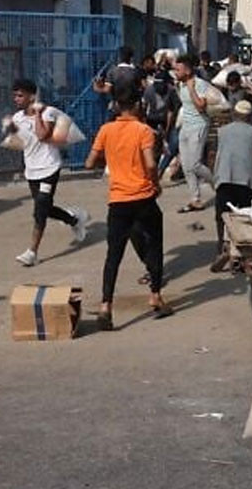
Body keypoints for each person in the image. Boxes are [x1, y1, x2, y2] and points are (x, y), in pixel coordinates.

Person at [84, 84, 172, 331]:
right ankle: (155, 296)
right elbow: (151, 164)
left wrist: (112, 158)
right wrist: (155, 184)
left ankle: (105, 307)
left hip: (118, 201)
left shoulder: (106, 130)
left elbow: (90, 163)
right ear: (136, 105)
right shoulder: (143, 131)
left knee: (114, 255)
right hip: (143, 198)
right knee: (155, 244)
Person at [8, 79, 89, 267]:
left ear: (32, 96)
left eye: (20, 95)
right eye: (15, 95)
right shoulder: (17, 118)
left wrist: (37, 112)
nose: (16, 99)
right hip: (32, 170)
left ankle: (32, 252)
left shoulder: (48, 113)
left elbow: (43, 135)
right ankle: (74, 220)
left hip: (50, 168)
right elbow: (19, 141)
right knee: (45, 208)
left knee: (40, 211)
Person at [209, 100, 252, 272]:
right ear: (250, 117)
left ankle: (222, 247)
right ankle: (240, 254)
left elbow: (212, 154)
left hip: (224, 178)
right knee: (244, 218)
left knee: (222, 216)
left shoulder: (222, 131)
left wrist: (213, 175)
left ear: (234, 115)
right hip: (245, 181)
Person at [174, 54, 215, 213]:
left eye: (178, 69)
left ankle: (217, 182)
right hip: (185, 127)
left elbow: (200, 107)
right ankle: (195, 199)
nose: (176, 72)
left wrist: (192, 89)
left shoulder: (200, 84)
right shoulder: (181, 85)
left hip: (198, 126)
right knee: (186, 166)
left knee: (195, 164)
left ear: (188, 70)